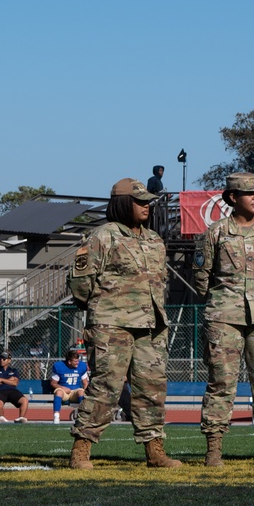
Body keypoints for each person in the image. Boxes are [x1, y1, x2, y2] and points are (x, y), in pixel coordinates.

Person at [68, 178, 180, 469]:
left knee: (151, 388)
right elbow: (81, 283)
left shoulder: (154, 239)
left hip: (150, 324)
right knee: (106, 386)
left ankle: (155, 450)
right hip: (111, 324)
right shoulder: (102, 236)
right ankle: (81, 449)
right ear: (121, 203)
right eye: (139, 201)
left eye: (147, 202)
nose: (146, 206)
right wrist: (99, 309)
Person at [193, 172, 254, 468]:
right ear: (233, 198)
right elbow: (201, 278)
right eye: (250, 194)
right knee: (221, 382)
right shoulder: (215, 233)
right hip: (224, 318)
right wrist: (225, 301)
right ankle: (214, 449)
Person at [50, 348, 88, 424]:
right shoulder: (60, 366)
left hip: (75, 392)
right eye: (75, 361)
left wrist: (86, 393)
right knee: (59, 392)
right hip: (64, 392)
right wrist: (63, 388)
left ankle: (82, 416)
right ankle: (56, 416)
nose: (78, 362)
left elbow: (85, 383)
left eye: (78, 360)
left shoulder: (82, 366)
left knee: (81, 392)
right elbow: (53, 383)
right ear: (69, 362)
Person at [0, 351, 30, 423]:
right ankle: (1, 418)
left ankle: (21, 418)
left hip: (12, 391)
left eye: (4, 359)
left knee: (25, 400)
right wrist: (9, 380)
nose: (1, 360)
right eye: (0, 358)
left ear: (9, 360)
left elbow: (15, 383)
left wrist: (1, 380)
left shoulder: (14, 370)